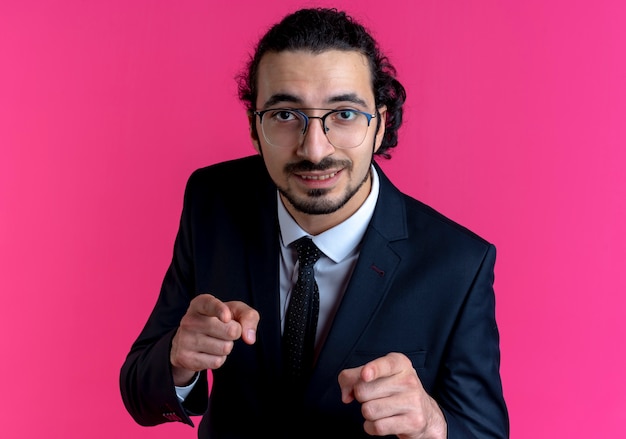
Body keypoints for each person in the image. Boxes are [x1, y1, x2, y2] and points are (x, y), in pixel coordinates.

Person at [120, 7, 509, 439]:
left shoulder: (458, 263)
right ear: (255, 127)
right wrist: (177, 359)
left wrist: (432, 423)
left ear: (380, 125)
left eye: (344, 114)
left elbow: (484, 431)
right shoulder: (212, 202)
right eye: (286, 115)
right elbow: (139, 389)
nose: (315, 150)